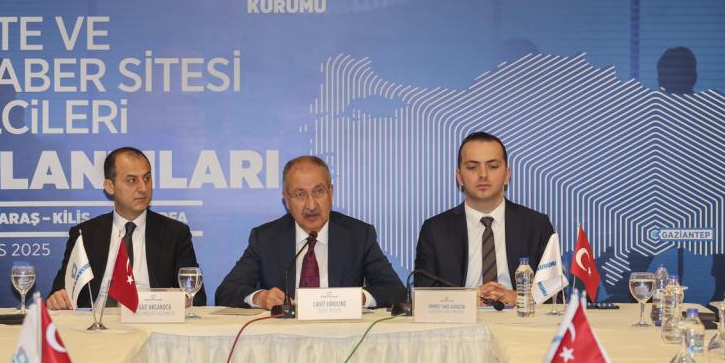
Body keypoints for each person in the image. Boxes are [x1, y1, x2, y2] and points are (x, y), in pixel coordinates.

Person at [215, 155, 406, 309]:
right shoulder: (265, 238)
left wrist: (359, 298)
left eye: (319, 191)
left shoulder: (358, 235)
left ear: (331, 192)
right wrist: (261, 298)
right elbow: (225, 292)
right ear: (286, 199)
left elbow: (396, 290)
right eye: (300, 194)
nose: (311, 205)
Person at [48, 147, 205, 309]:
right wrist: (58, 298)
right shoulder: (85, 235)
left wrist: (183, 298)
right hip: (96, 321)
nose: (143, 188)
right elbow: (60, 291)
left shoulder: (175, 233)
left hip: (153, 319)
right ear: (110, 186)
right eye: (132, 180)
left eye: (147, 178)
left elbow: (197, 296)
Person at [413, 131, 555, 307]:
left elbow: (555, 295)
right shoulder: (435, 230)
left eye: (493, 166)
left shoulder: (537, 225)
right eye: (472, 167)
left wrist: (520, 298)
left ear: (507, 174)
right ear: (459, 177)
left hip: (520, 317)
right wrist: (469, 298)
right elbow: (424, 298)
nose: (483, 174)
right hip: (460, 320)